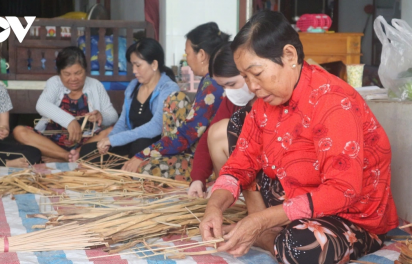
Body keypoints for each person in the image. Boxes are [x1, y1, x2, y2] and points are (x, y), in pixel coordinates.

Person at [200, 11, 398, 264]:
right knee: (239, 121)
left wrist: (260, 221)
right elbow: (239, 166)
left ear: (289, 56)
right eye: (246, 77)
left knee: (299, 246)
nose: (251, 86)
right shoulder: (264, 104)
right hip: (296, 198)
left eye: (257, 73)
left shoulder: (333, 101)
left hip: (349, 216)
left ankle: (267, 234)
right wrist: (214, 208)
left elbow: (342, 192)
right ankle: (268, 229)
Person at [109, 22, 228, 179]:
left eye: (188, 53)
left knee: (145, 169)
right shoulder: (208, 80)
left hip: (207, 160)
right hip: (192, 150)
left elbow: (185, 135)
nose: (186, 58)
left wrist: (143, 154)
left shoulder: (211, 84)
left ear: (202, 55)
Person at [77, 38, 180, 162]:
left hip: (155, 146)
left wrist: (114, 140)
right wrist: (108, 141)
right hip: (132, 142)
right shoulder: (133, 86)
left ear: (154, 64)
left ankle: (130, 169)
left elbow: (156, 126)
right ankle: (127, 168)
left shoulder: (168, 88)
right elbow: (122, 123)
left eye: (138, 65)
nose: (134, 71)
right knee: (87, 151)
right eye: (133, 65)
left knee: (141, 144)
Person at [13, 46, 118, 162]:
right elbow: (41, 105)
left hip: (85, 143)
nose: (73, 79)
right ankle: (65, 156)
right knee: (19, 131)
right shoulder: (54, 82)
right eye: (67, 74)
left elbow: (113, 116)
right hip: (52, 142)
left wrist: (101, 116)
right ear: (59, 73)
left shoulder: (95, 85)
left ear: (85, 70)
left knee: (114, 130)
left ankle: (71, 156)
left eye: (78, 73)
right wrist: (70, 121)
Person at [188, 42, 257, 198]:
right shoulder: (232, 101)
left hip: (268, 174)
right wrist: (198, 179)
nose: (229, 92)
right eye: (223, 87)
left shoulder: (269, 96)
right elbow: (208, 138)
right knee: (217, 130)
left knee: (221, 130)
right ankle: (229, 192)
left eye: (231, 84)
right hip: (241, 173)